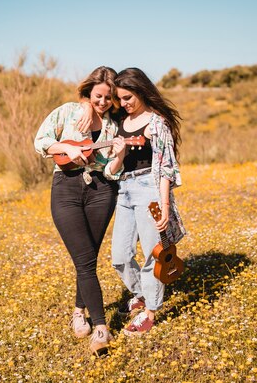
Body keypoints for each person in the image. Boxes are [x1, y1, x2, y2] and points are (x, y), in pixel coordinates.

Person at [34, 66, 125, 354]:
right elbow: (41, 141)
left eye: (108, 98)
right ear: (88, 92)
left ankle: (78, 311)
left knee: (87, 258)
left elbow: (111, 171)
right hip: (66, 187)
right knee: (84, 260)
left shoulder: (114, 124)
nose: (102, 102)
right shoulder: (68, 112)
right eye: (97, 96)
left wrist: (120, 153)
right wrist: (65, 147)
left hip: (101, 190)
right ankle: (101, 328)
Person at [109, 67, 186, 336]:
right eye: (120, 99)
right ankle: (141, 294)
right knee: (119, 256)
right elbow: (114, 163)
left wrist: (164, 206)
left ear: (141, 91)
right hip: (123, 189)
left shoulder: (157, 123)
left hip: (149, 190)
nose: (124, 103)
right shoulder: (119, 122)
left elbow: (166, 167)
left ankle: (150, 312)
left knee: (154, 254)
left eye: (128, 97)